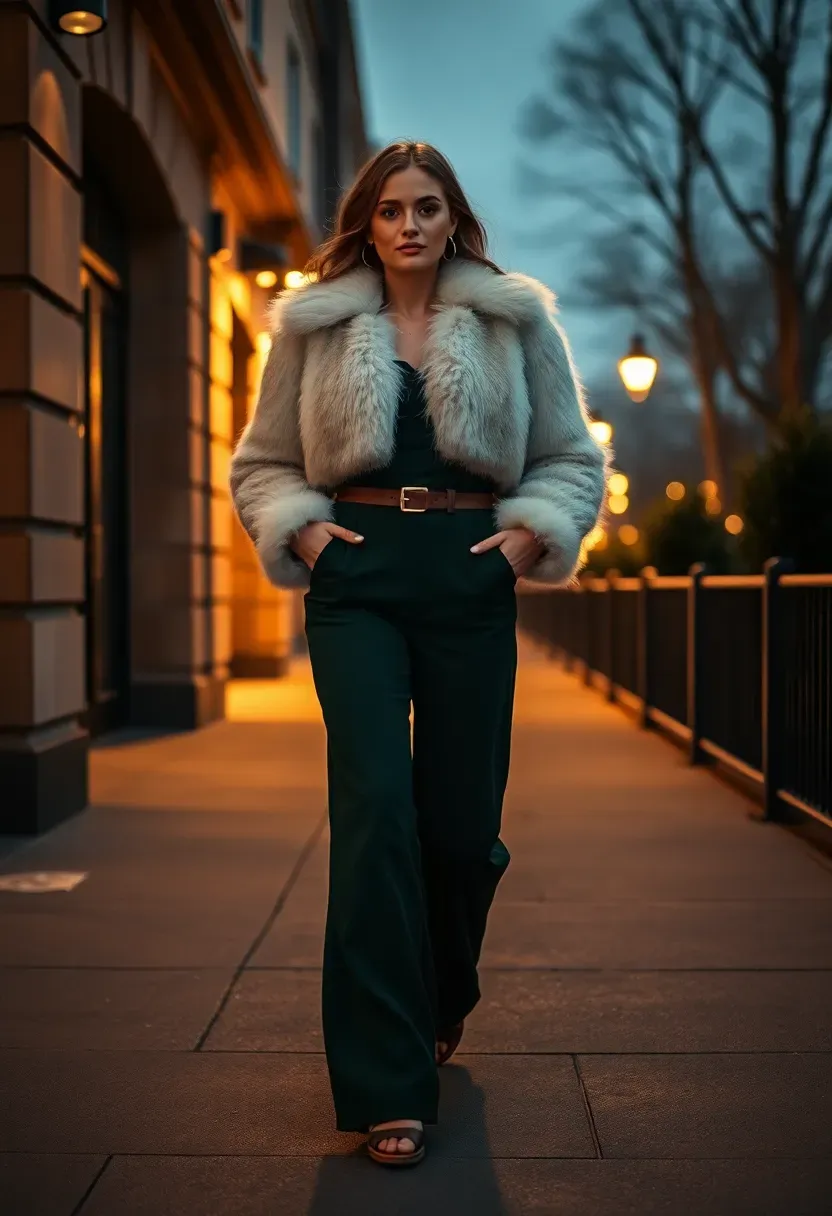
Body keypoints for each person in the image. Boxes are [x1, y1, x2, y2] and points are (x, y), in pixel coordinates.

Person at [229, 140, 607, 1167]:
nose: (407, 223)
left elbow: (572, 454)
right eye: (391, 207)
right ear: (366, 219)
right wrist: (301, 531)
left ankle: (444, 989)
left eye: (427, 206)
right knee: (374, 813)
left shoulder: (511, 317)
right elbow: (261, 461)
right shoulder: (311, 326)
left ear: (452, 220)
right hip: (354, 584)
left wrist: (532, 533)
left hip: (468, 580)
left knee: (457, 825)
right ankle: (386, 1084)